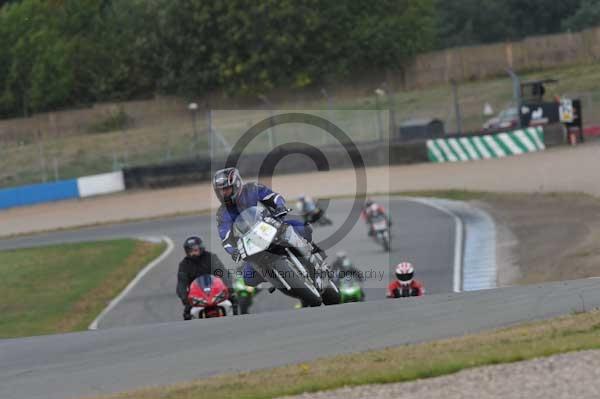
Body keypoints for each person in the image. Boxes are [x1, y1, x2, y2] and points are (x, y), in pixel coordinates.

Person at [213, 167, 326, 288]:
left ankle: (317, 263)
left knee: (303, 228)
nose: (223, 193)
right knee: (247, 277)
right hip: (252, 244)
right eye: (220, 191)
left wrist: (280, 206)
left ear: (236, 184)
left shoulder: (252, 189)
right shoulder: (222, 213)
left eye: (226, 189)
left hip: (273, 226)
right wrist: (233, 251)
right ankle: (277, 278)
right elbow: (226, 239)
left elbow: (274, 197)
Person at [176, 236, 237, 320]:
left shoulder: (211, 257)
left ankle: (236, 321)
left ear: (201, 248)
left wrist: (229, 287)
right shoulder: (184, 265)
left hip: (216, 290)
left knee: (233, 301)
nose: (193, 252)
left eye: (195, 250)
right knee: (187, 313)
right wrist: (185, 298)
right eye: (190, 250)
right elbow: (181, 284)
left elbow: (223, 273)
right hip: (196, 295)